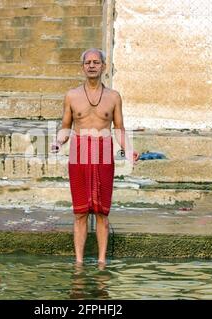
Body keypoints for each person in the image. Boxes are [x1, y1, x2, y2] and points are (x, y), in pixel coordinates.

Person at [51, 48, 139, 266]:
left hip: (103, 154)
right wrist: (58, 141)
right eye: (88, 62)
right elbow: (65, 127)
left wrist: (128, 149)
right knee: (80, 213)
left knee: (102, 212)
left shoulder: (113, 97)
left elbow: (119, 128)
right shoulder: (72, 95)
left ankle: (101, 262)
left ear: (103, 67)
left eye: (96, 62)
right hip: (79, 154)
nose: (92, 65)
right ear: (82, 67)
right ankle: (79, 262)